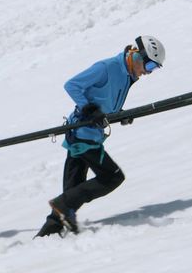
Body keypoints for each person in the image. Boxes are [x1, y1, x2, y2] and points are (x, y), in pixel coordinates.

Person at [36, 36, 166, 237]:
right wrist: (90, 110)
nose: (148, 71)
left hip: (88, 135)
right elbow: (72, 85)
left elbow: (104, 100)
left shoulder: (127, 75)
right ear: (136, 55)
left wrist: (119, 114)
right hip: (82, 135)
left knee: (73, 191)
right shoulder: (107, 67)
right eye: (149, 65)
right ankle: (61, 207)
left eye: (154, 68)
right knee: (112, 177)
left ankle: (50, 231)